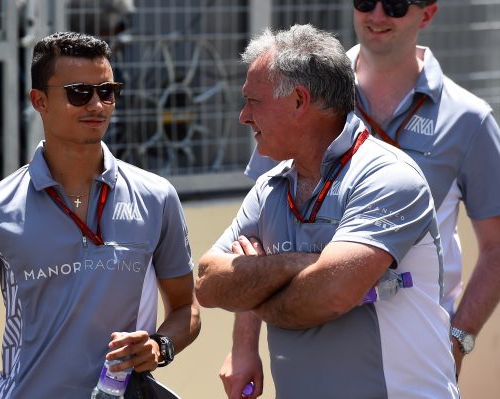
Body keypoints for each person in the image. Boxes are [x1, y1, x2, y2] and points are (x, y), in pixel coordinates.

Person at [0, 31, 200, 398]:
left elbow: (186, 308)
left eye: (107, 92)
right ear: (39, 100)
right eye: (78, 93)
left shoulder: (156, 197)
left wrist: (160, 345)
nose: (97, 106)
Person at [195, 24, 458, 398]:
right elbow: (207, 284)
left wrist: (254, 282)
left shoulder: (387, 177)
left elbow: (331, 295)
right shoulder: (269, 187)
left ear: (299, 101)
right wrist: (298, 265)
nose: (243, 116)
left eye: (254, 101)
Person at [245, 0, 500, 376]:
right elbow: (255, 235)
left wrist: (460, 337)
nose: (377, 16)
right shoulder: (301, 95)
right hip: (307, 338)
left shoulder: (469, 119)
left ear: (427, 14)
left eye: (396, 5)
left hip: (416, 351)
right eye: (366, 1)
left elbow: (496, 247)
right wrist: (243, 347)